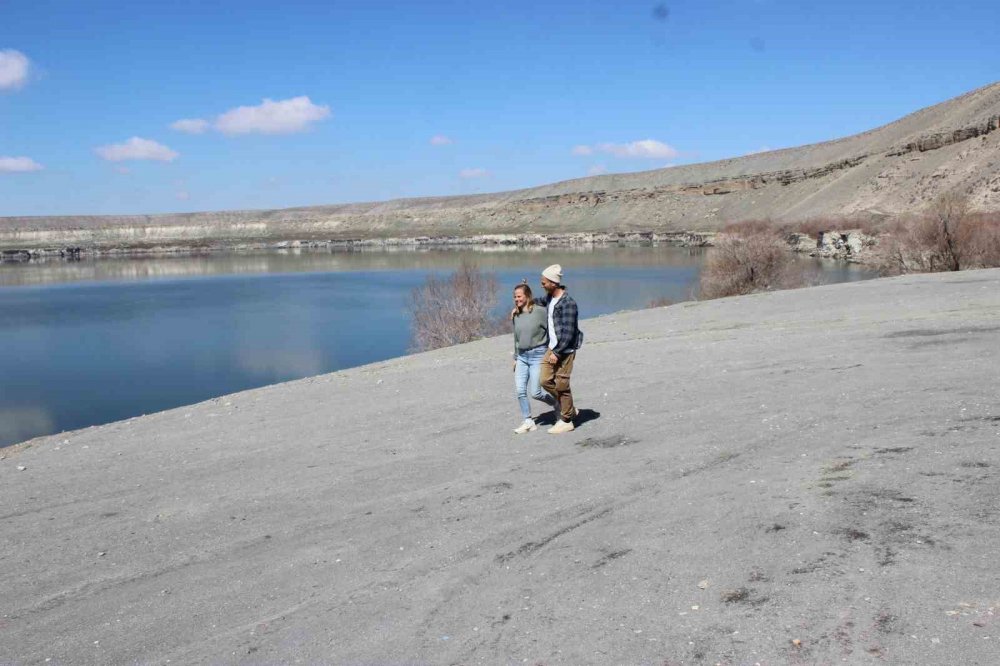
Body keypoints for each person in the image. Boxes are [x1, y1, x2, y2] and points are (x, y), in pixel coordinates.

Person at [535, 264, 583, 434]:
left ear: (553, 283)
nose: (542, 285)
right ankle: (568, 407)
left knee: (562, 385)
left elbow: (569, 333)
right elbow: (538, 302)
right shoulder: (550, 298)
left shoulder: (568, 303)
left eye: (544, 282)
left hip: (565, 350)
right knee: (544, 380)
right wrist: (522, 304)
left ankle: (567, 421)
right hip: (552, 347)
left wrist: (557, 352)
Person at [511, 282, 555, 434]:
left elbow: (551, 331)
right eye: (515, 297)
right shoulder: (516, 315)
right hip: (522, 357)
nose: (517, 299)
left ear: (527, 296)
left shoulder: (540, 312)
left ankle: (557, 404)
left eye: (519, 296)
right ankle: (528, 421)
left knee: (536, 392)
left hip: (538, 355)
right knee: (520, 391)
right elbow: (516, 338)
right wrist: (516, 357)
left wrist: (552, 351)